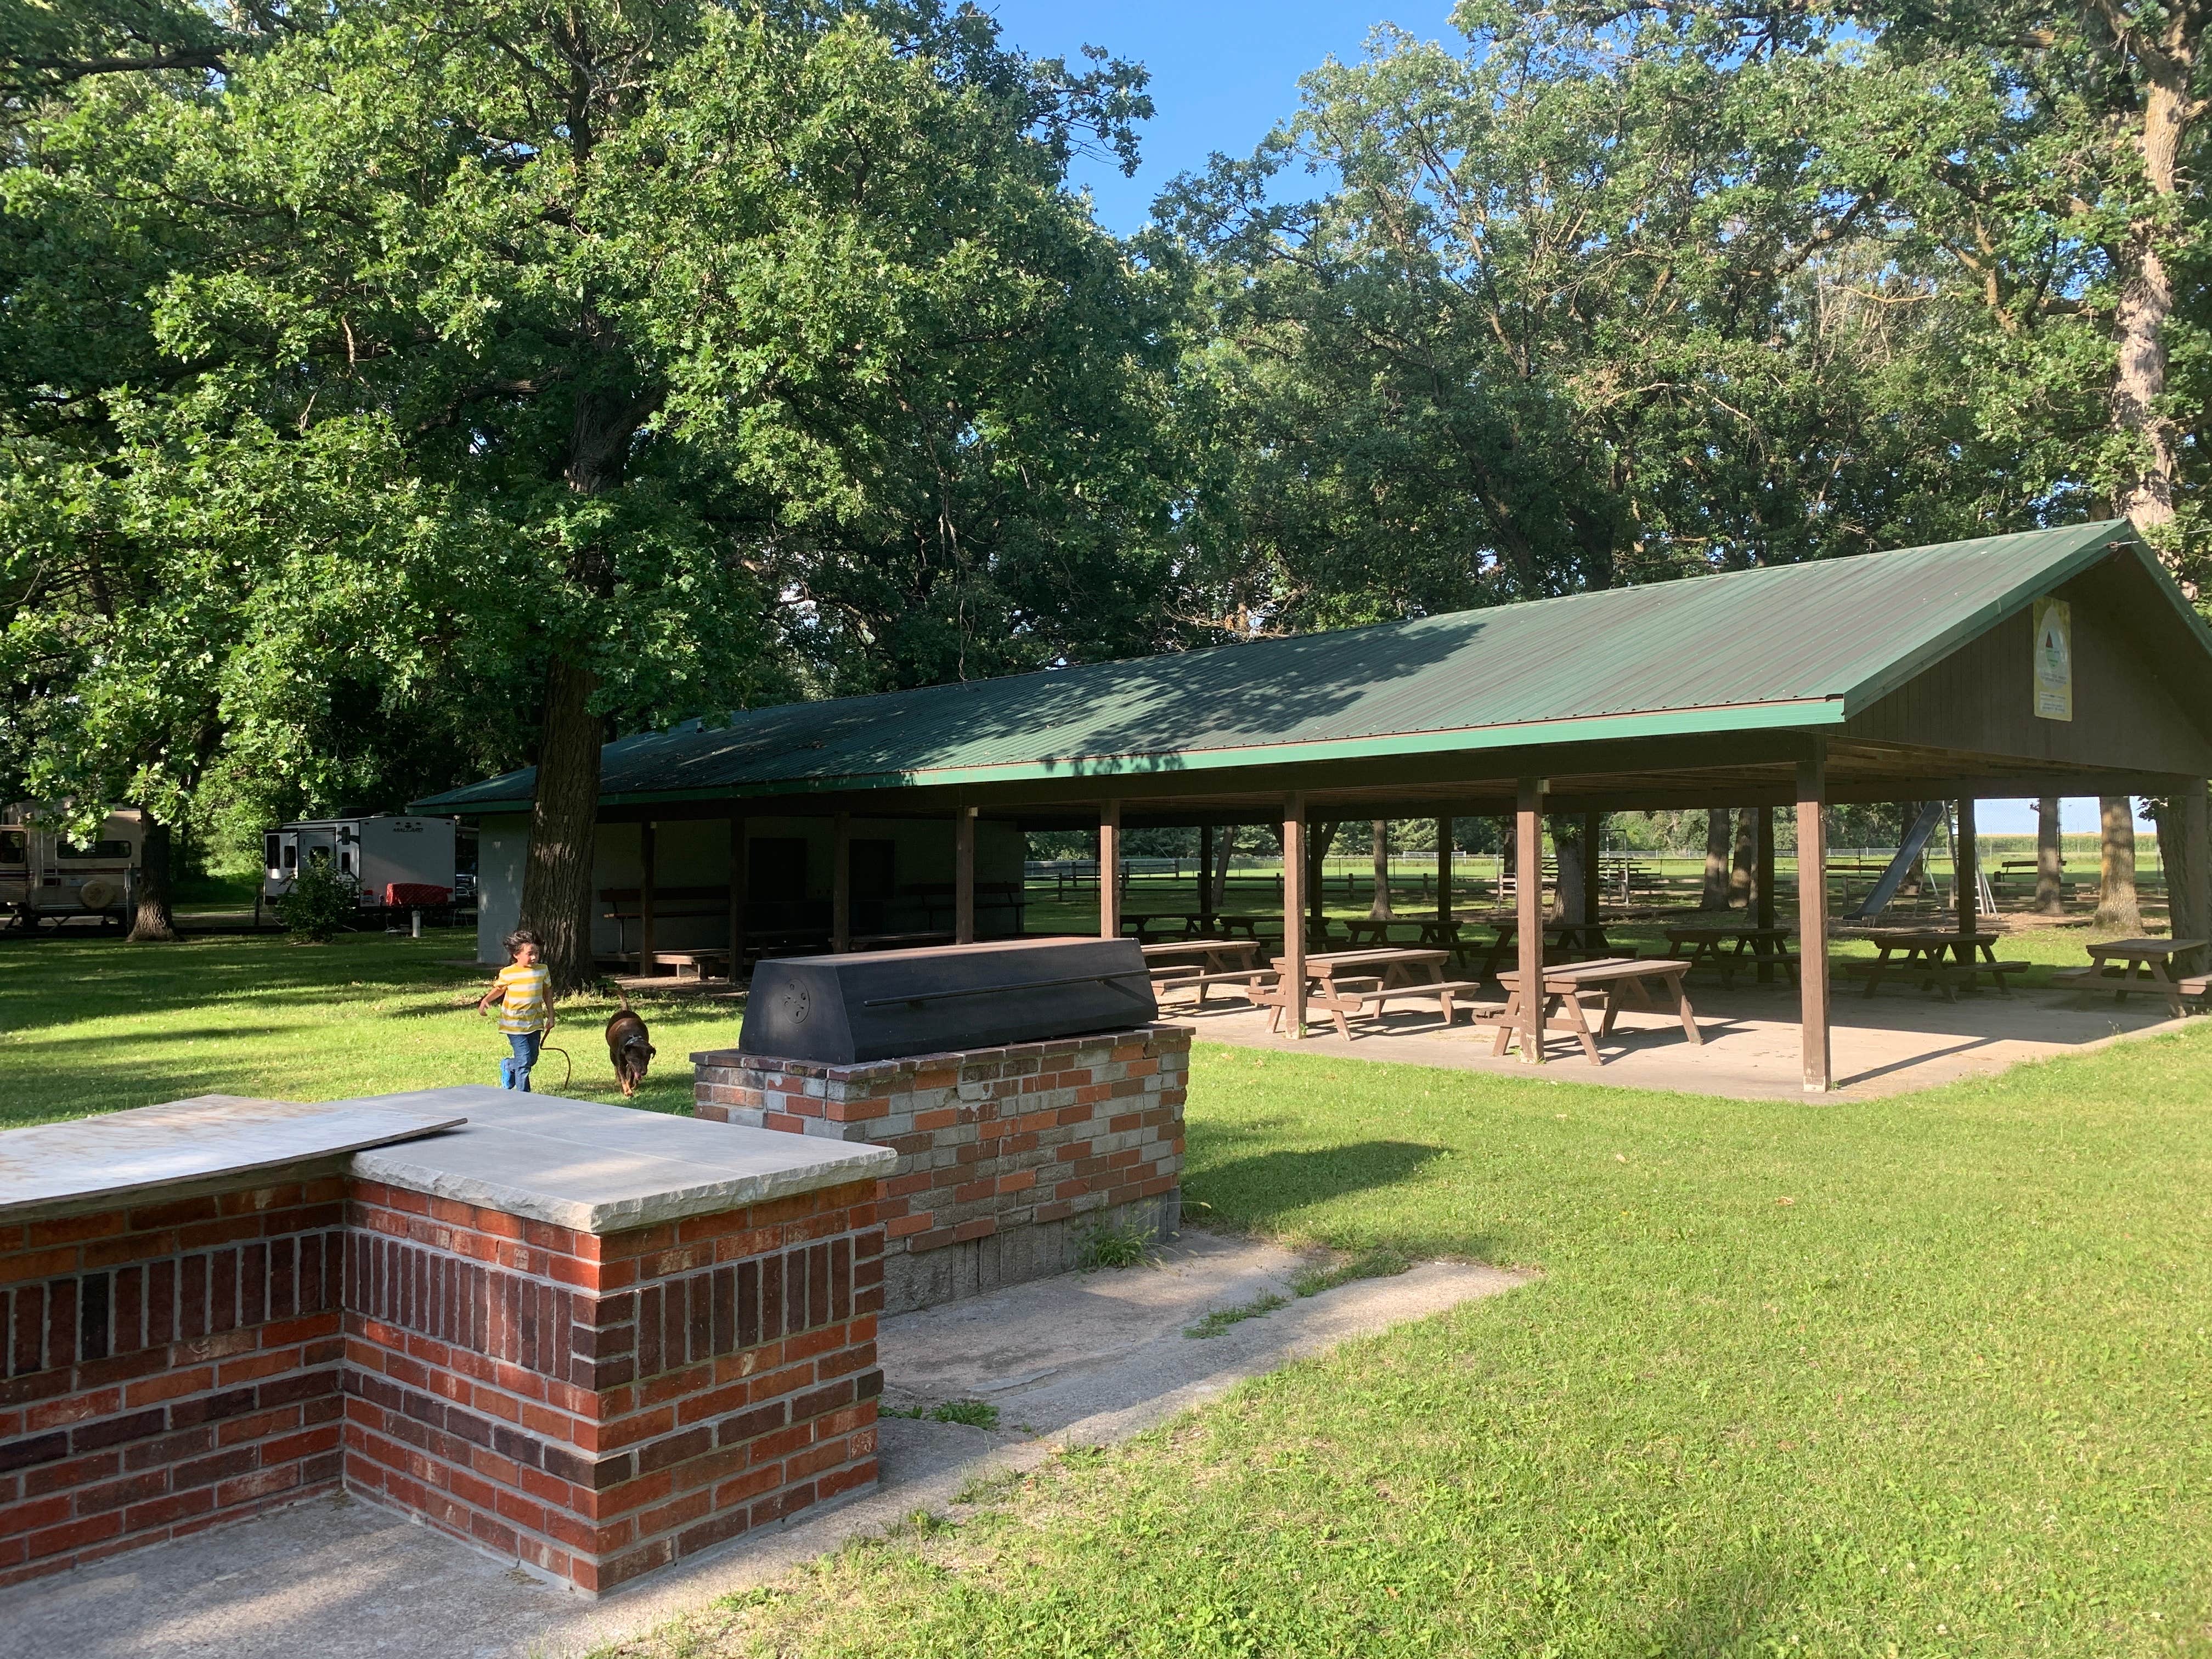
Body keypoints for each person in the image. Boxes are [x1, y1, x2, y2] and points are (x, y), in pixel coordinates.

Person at [478, 928, 554, 1090]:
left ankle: (508, 1066)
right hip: (514, 1025)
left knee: (531, 1059)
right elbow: (499, 989)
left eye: (537, 953)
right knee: (525, 1061)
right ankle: (523, 1096)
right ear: (516, 955)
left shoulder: (542, 970)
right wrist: (486, 1000)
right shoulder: (508, 973)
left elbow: (547, 993)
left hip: (534, 1023)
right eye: (530, 954)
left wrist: (551, 1016)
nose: (534, 957)